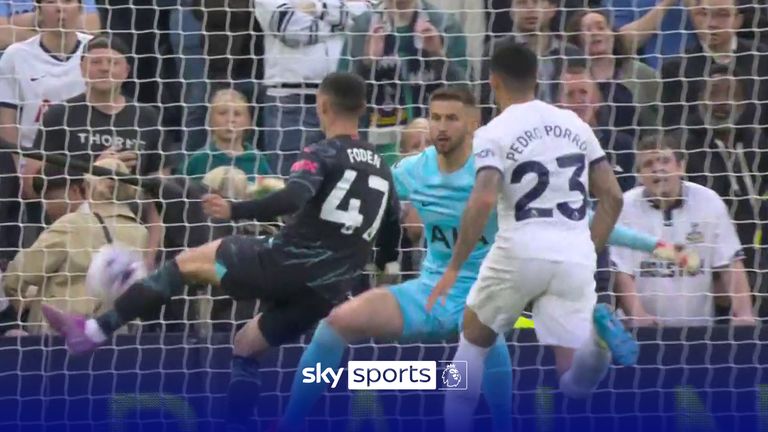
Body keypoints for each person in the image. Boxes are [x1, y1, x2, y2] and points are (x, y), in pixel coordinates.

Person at [278, 87, 697, 432]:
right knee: (335, 325)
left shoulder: (497, 174)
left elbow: (594, 217)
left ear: (475, 124)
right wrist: (287, 198)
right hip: (431, 290)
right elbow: (355, 194)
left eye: (452, 118)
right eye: (435, 118)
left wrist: (665, 250)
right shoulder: (411, 170)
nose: (441, 128)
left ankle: (506, 420)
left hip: (490, 295)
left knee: (487, 339)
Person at [38, 72, 401, 428]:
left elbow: (294, 196)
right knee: (246, 346)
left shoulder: (320, 152)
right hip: (326, 290)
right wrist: (379, 276)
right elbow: (391, 229)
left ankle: (93, 332)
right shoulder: (383, 168)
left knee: (185, 263)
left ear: (322, 105)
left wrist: (235, 209)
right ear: (364, 109)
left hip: (282, 262)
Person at [429, 41, 634, 432]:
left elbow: (485, 197)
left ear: (493, 82)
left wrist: (455, 266)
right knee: (573, 381)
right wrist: (585, 251)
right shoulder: (577, 125)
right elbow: (613, 197)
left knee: (471, 342)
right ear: (538, 79)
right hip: (573, 254)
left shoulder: (493, 131)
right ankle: (600, 348)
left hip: (519, 250)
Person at [613, 134, 756, 327]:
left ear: (681, 167)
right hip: (642, 330)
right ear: (639, 175)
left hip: (699, 329)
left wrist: (744, 313)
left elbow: (730, 263)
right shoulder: (625, 206)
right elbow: (622, 273)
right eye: (648, 164)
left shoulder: (708, 202)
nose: (658, 169)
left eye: (665, 160)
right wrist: (638, 315)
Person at [2, 158, 147, 335]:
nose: (45, 207)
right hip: (118, 334)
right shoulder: (140, 231)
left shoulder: (72, 224)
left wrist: (19, 308)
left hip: (61, 335)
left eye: (49, 197)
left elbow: (16, 276)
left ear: (81, 188)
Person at [181, 88, 271, 182]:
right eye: (222, 113)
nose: (230, 119)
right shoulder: (198, 160)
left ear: (248, 121)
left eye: (237, 114)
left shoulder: (258, 161)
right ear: (210, 120)